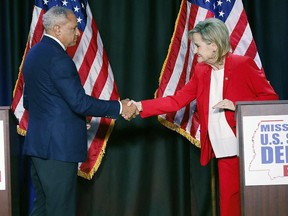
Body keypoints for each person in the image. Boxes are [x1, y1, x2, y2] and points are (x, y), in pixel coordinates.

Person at [128, 18, 278, 216]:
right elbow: (176, 100)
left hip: (249, 148)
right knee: (228, 204)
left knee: (259, 201)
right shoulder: (201, 71)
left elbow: (270, 98)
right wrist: (140, 106)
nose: (196, 51)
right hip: (224, 148)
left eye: (198, 45)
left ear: (214, 46)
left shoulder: (243, 65)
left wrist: (237, 107)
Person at [22, 6, 137, 216]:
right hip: (57, 149)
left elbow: (30, 101)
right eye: (74, 28)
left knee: (42, 208)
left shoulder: (34, 53)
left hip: (39, 147)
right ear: (57, 29)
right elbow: (80, 103)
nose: (78, 33)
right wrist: (120, 106)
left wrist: (69, 118)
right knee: (61, 210)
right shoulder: (58, 58)